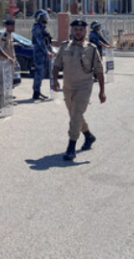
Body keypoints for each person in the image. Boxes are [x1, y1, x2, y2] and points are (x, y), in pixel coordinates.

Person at [52, 20, 106, 161]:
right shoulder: (64, 47)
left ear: (85, 31)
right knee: (74, 115)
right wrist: (55, 81)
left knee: (76, 114)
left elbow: (99, 70)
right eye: (75, 29)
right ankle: (88, 136)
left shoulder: (92, 49)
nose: (78, 32)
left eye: (81, 29)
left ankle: (71, 147)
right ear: (72, 31)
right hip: (68, 87)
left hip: (84, 87)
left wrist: (102, 91)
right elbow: (56, 65)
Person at [32, 9, 54, 101]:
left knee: (43, 73)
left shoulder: (42, 27)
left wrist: (51, 50)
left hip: (44, 53)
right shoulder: (37, 28)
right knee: (39, 73)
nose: (45, 19)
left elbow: (47, 41)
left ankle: (38, 91)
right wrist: (47, 52)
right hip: (39, 53)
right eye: (44, 17)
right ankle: (36, 92)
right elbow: (40, 42)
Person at [0, 19, 17, 103]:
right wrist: (8, 57)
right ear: (7, 26)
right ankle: (3, 101)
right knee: (4, 82)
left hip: (10, 62)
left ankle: (8, 100)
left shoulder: (10, 35)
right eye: (12, 26)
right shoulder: (3, 36)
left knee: (9, 82)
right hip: (4, 62)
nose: (14, 27)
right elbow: (0, 49)